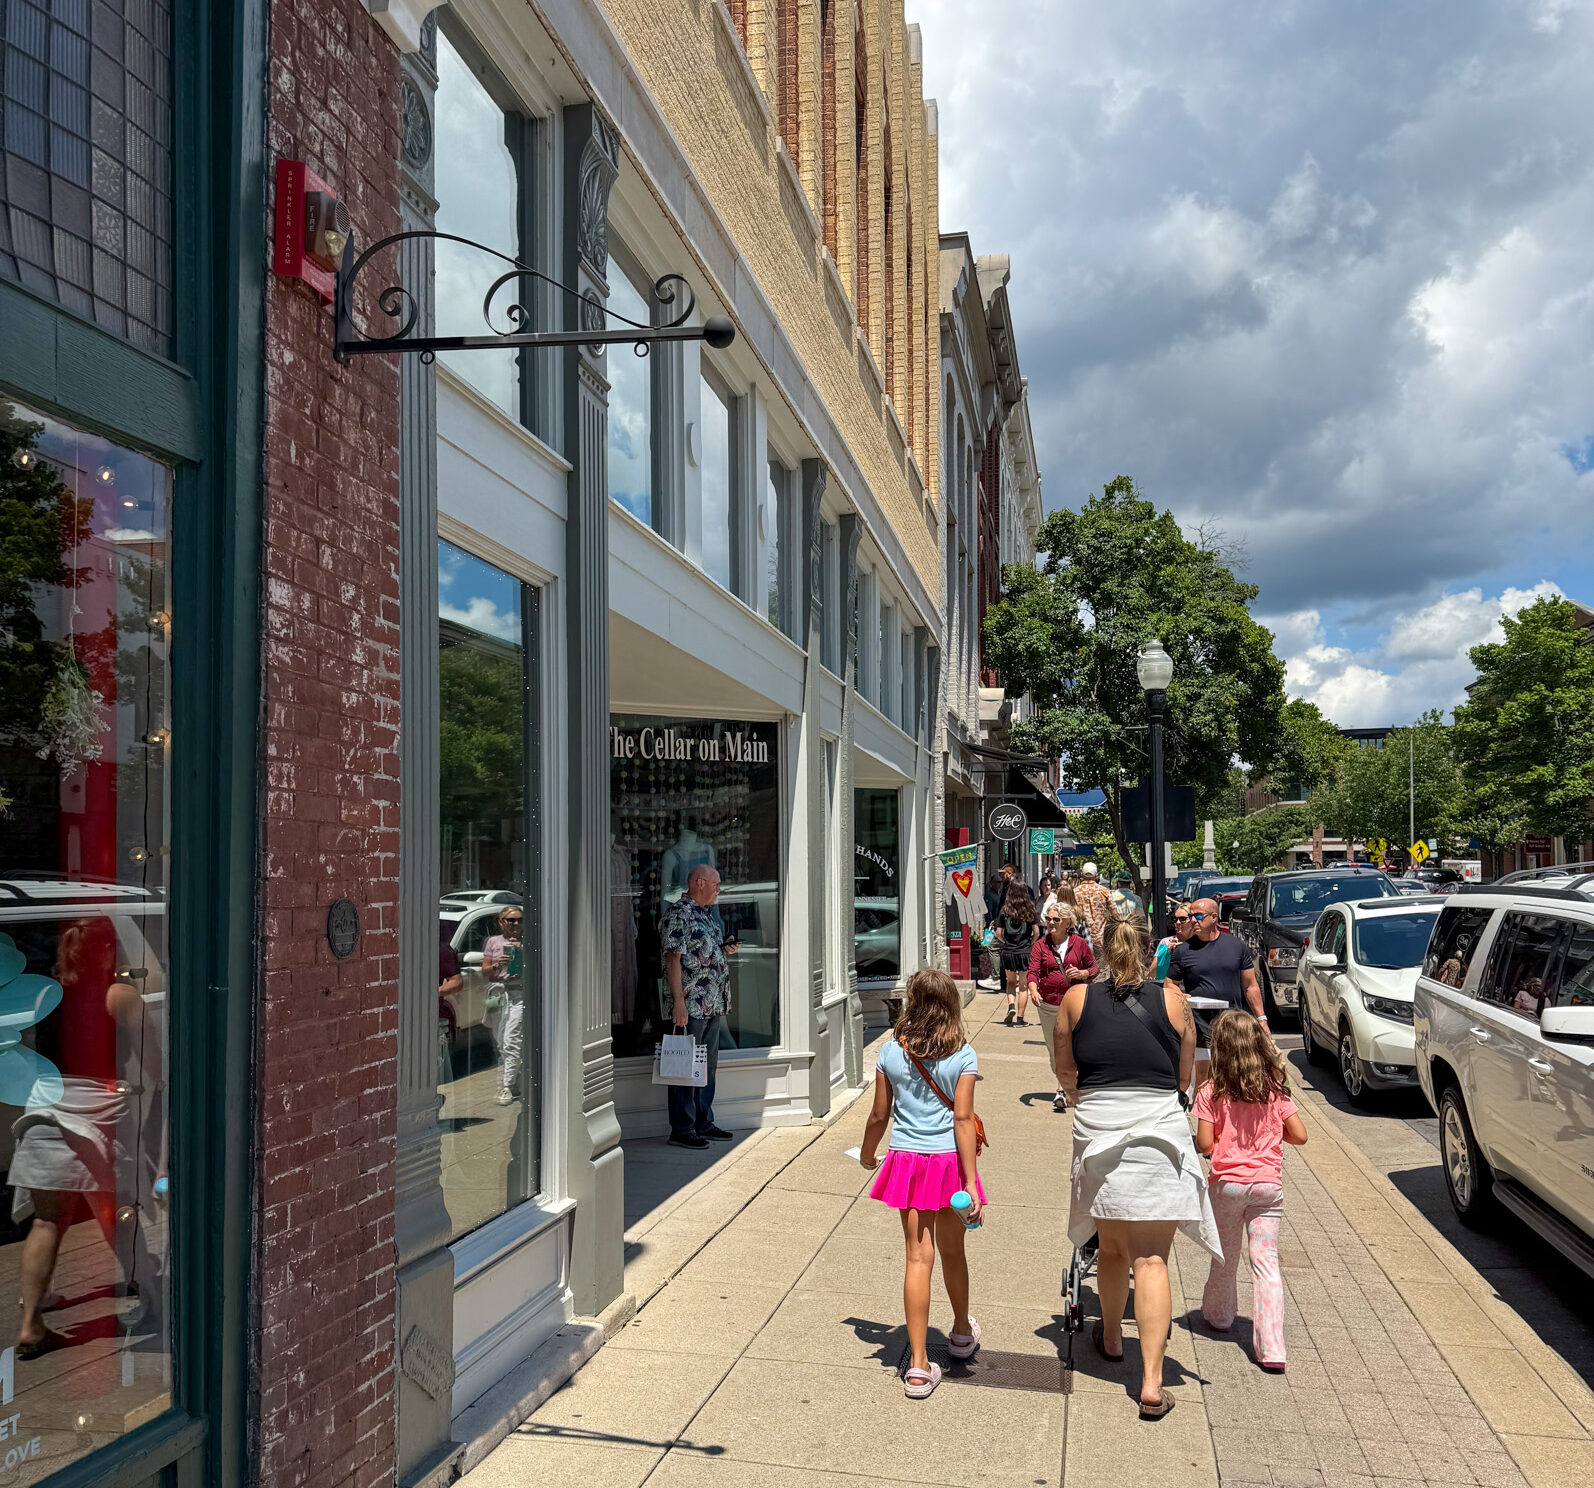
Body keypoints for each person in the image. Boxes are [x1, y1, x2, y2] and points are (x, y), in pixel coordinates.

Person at [1053, 918, 1221, 1421]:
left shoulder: (1076, 999)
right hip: (1160, 1138)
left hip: (1099, 1132)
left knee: (1110, 1249)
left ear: (1101, 953)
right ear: (1151, 956)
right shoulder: (1174, 1002)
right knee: (1151, 1260)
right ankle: (1151, 1384)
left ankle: (1108, 1337)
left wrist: (1086, 1094)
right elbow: (1185, 1076)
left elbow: (1065, 1070)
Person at [859, 967, 985, 1400]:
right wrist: (970, 1182)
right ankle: (962, 1332)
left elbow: (880, 1115)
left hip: (909, 1163)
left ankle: (916, 1366)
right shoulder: (963, 1055)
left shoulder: (892, 1053)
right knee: (954, 1251)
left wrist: (866, 1153)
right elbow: (963, 1119)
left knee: (918, 1258)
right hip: (949, 1165)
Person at [1194, 1009, 1308, 1371]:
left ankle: (1220, 1315)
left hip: (1227, 1185)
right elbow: (1300, 1136)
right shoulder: (1275, 1091)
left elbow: (1204, 1143)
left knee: (1225, 1255)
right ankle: (1272, 1347)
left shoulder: (1211, 1090)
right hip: (1267, 1187)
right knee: (1266, 1263)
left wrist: (1222, 1148)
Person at [661, 865, 740, 1149]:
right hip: (691, 1005)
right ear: (699, 883)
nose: (719, 890)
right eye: (716, 884)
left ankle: (703, 1122)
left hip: (712, 1003)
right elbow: (672, 960)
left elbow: (704, 951)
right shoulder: (679, 914)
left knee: (706, 1066)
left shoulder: (705, 914)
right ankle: (682, 1129)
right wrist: (679, 1004)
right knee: (684, 1066)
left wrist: (724, 948)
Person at [1028, 902, 1096, 1111]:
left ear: (1067, 922)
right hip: (1048, 1004)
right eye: (1048, 919)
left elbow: (1094, 968)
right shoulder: (1041, 945)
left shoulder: (1079, 944)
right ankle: (1066, 1087)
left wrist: (1083, 974)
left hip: (1074, 1003)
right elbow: (1033, 971)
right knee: (1054, 1049)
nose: (1050, 923)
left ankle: (1063, 1090)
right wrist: (1033, 989)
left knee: (1072, 1047)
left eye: (1055, 919)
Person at [1165, 897, 1267, 1030]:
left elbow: (1250, 986)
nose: (1193, 920)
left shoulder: (1236, 946)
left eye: (1198, 916)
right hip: (1200, 1028)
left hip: (1233, 1026)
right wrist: (1178, 995)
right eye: (1191, 916)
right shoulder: (1182, 951)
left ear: (1214, 917)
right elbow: (1170, 984)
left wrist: (1261, 1019)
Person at [481, 906, 526, 1106]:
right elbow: (485, 971)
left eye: (519, 920)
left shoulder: (529, 941)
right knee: (499, 1040)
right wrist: (498, 964)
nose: (516, 924)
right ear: (501, 922)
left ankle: (507, 1085)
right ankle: (515, 1079)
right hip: (498, 993)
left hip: (520, 993)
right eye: (511, 920)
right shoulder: (494, 942)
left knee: (511, 1039)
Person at [992, 883, 1039, 1026]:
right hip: (1025, 952)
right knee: (1023, 986)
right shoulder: (1030, 909)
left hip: (1009, 952)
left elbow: (998, 933)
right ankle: (1020, 1018)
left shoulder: (1004, 911)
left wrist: (1005, 941)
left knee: (1011, 982)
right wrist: (1030, 941)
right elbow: (1036, 932)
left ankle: (1011, 1006)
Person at [1075, 862, 1114, 949]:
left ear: (1082, 874)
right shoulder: (1104, 891)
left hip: (1080, 937)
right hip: (1100, 938)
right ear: (1096, 875)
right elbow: (1115, 913)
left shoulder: (1075, 892)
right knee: (1100, 962)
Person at [1154, 904, 1195, 981]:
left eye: (1183, 919)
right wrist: (1167, 953)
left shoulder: (1200, 943)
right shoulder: (1165, 942)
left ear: (1193, 920)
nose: (1178, 922)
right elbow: (1152, 974)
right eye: (1175, 919)